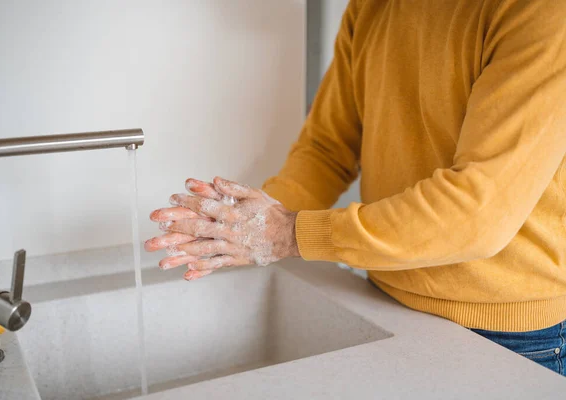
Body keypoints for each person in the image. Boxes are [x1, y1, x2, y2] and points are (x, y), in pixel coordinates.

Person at [145, 0, 566, 375]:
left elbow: (477, 214)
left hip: (510, 332)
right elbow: (328, 150)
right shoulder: (371, 7)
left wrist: (285, 232)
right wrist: (243, 223)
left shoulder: (542, 12)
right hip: (385, 299)